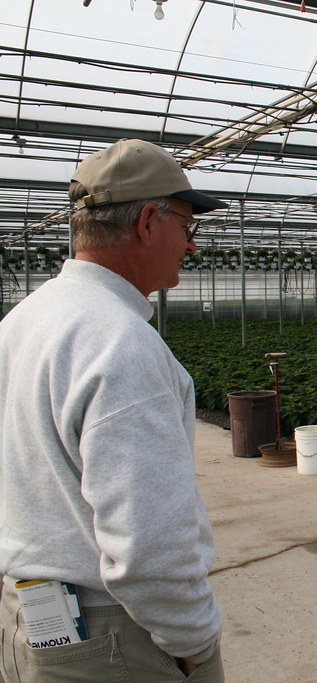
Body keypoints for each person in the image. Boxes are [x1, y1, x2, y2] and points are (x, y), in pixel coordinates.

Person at [0, 139, 228, 681]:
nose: (191, 247)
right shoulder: (119, 344)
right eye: (187, 227)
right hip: (108, 639)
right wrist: (194, 642)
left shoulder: (22, 322)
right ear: (148, 222)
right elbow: (148, 542)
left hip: (27, 617)